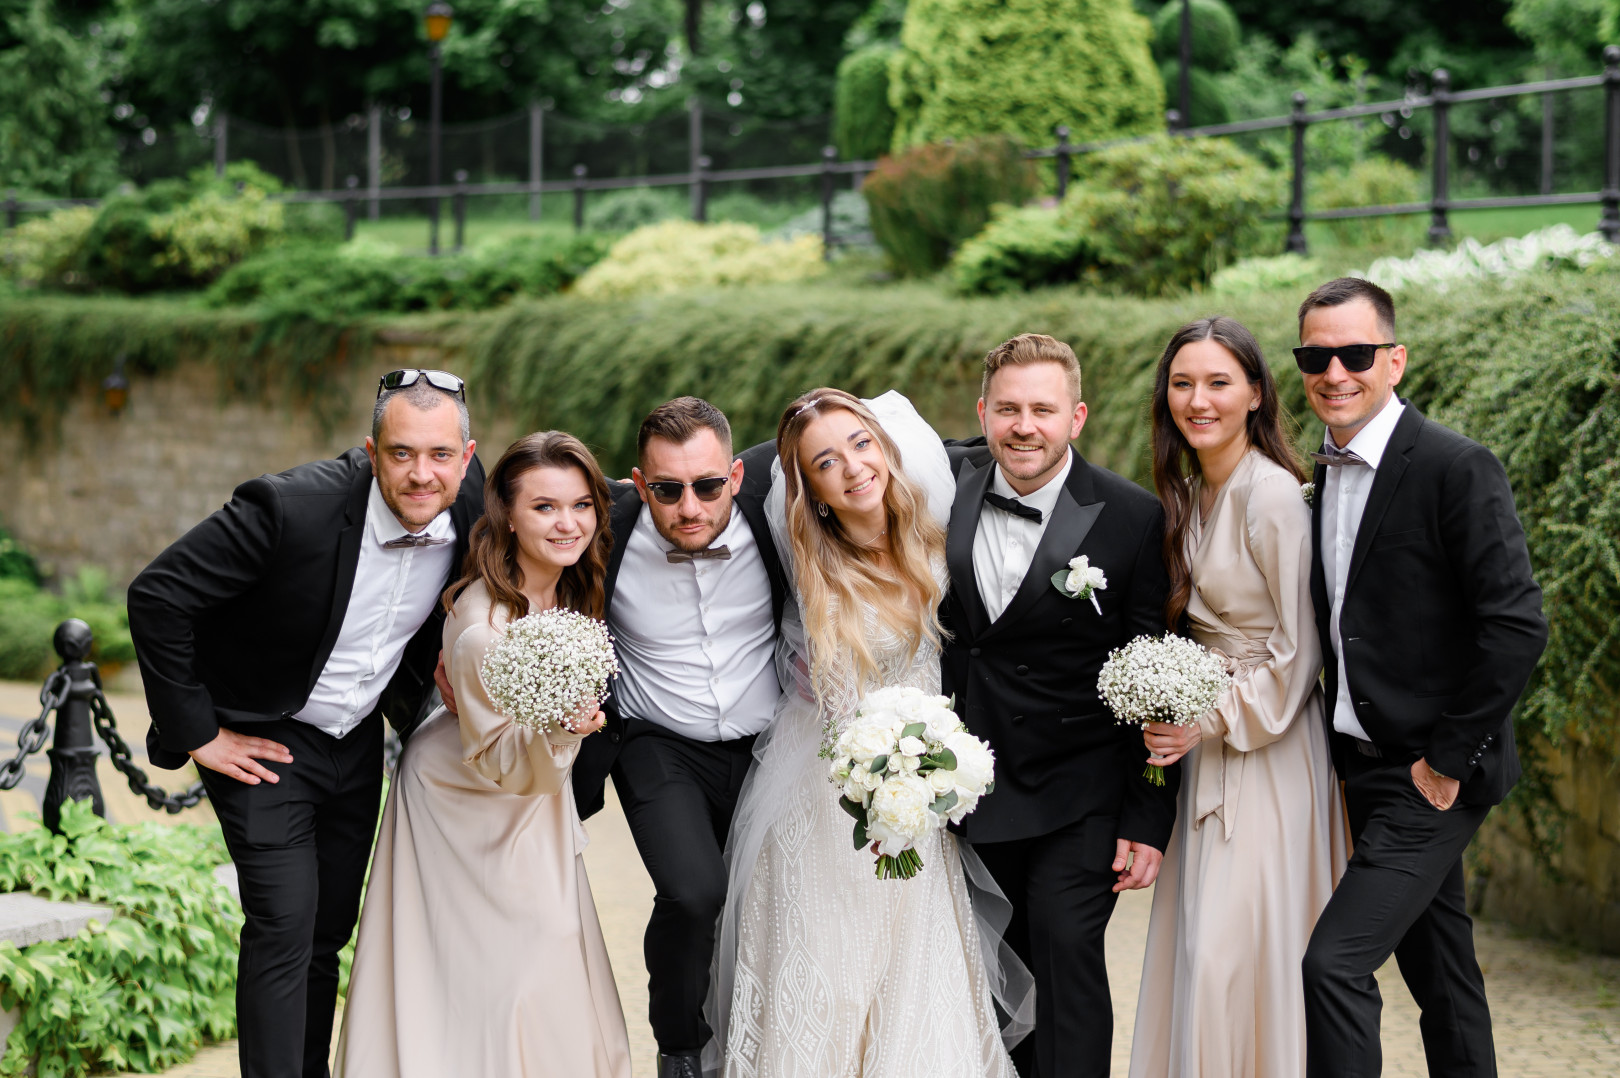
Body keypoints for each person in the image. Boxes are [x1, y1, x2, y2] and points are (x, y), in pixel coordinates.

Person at [127, 369, 485, 1078]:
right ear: (371, 450)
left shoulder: (475, 504)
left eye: (440, 455)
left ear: (467, 457)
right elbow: (157, 596)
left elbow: (570, 511)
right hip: (265, 732)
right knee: (284, 924)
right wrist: (200, 732)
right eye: (402, 453)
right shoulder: (289, 508)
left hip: (355, 742)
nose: (422, 474)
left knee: (327, 931)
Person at [713, 388, 1028, 1078]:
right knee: (837, 964)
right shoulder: (817, 573)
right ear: (813, 490)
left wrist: (927, 778)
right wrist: (884, 787)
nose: (854, 467)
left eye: (860, 444)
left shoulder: (938, 537)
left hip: (921, 785)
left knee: (914, 966)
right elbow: (837, 711)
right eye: (826, 462)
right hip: (836, 790)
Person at [1294, 278, 1548, 1078]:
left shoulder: (1456, 467)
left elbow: (1515, 625)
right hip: (1359, 767)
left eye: (1356, 354)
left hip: (1428, 776)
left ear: (1395, 360)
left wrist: (1444, 760)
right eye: (1316, 355)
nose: (1335, 372)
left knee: (1333, 966)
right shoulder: (1321, 472)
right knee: (1442, 974)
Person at [335, 431, 631, 1077]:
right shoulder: (481, 630)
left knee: (544, 959)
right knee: (504, 969)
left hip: (531, 791)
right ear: (508, 515)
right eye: (545, 507)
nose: (568, 522)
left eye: (581, 505)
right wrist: (567, 729)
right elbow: (505, 758)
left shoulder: (567, 583)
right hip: (466, 796)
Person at [941, 333, 1176, 1078]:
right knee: (1000, 970)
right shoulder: (944, 485)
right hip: (973, 786)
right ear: (983, 412)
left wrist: (1148, 817)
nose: (1023, 425)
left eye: (1042, 408)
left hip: (1082, 790)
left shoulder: (1133, 517)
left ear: (1076, 416)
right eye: (1007, 408)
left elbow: (1153, 678)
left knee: (1066, 951)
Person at [1127, 317, 1348, 1078]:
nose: (1198, 400)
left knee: (1239, 954)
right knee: (1202, 950)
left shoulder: (1273, 494)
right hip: (1203, 754)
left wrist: (1208, 716)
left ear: (1255, 393)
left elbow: (1300, 651)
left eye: (1219, 382)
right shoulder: (1187, 494)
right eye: (1183, 383)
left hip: (1268, 748)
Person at [573, 397, 786, 1078]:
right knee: (694, 891)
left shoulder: (778, 512)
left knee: (772, 905)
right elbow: (502, 505)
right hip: (656, 744)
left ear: (737, 477)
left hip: (768, 750)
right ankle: (680, 1048)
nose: (689, 506)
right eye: (667, 489)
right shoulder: (602, 526)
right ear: (640, 485)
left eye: (707, 485)